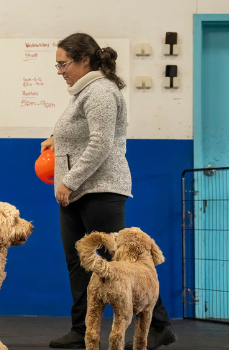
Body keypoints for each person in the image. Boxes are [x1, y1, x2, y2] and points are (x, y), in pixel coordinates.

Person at [42, 33, 178, 350]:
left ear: (84, 61)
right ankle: (80, 330)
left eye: (63, 64)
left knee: (124, 262)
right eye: (57, 65)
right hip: (77, 191)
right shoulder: (83, 93)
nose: (59, 71)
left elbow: (101, 143)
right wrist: (55, 139)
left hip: (99, 188)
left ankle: (159, 325)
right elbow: (83, 131)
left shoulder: (101, 91)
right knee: (79, 261)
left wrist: (70, 180)